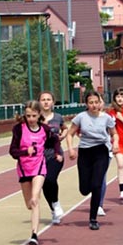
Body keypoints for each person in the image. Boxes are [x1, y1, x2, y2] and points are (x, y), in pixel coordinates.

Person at [9, 100, 62, 245]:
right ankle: (33, 202)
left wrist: (57, 153)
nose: (31, 118)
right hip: (24, 169)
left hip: (39, 167)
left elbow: (55, 140)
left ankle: (34, 235)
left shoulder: (45, 129)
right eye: (28, 116)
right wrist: (25, 152)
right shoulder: (19, 129)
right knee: (29, 204)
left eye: (33, 115)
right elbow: (12, 151)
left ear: (39, 115)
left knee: (35, 199)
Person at [67, 91, 119, 230]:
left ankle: (93, 218)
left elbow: (114, 133)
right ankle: (88, 187)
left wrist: (115, 144)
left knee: (97, 185)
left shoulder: (107, 118)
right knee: (84, 189)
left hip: (101, 151)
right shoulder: (81, 117)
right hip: (85, 152)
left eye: (96, 102)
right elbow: (70, 133)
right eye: (91, 103)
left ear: (100, 103)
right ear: (86, 104)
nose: (94, 105)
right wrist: (71, 149)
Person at [39, 91, 68, 224]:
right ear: (39, 102)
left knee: (51, 179)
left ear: (53, 102)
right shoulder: (36, 118)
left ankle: (55, 203)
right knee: (44, 183)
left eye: (48, 99)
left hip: (55, 154)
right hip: (39, 155)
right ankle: (53, 209)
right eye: (43, 99)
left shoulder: (57, 117)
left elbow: (65, 128)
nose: (46, 102)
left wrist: (63, 135)